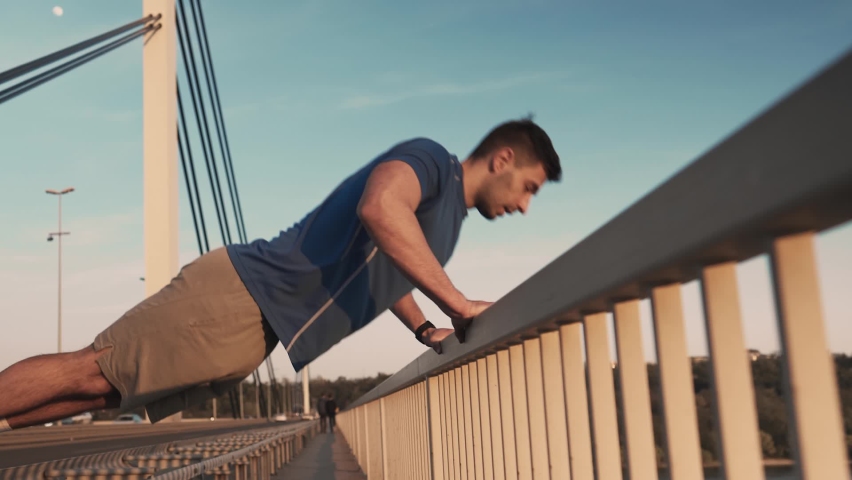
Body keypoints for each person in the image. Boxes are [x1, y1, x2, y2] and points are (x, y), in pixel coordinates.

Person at [0, 116, 562, 432]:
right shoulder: (431, 160)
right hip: (242, 296)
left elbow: (384, 269)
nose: (525, 206)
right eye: (530, 189)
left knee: (109, 393)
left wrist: (423, 329)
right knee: (97, 369)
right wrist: (458, 305)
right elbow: (379, 208)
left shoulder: (446, 222)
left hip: (259, 328)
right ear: (504, 159)